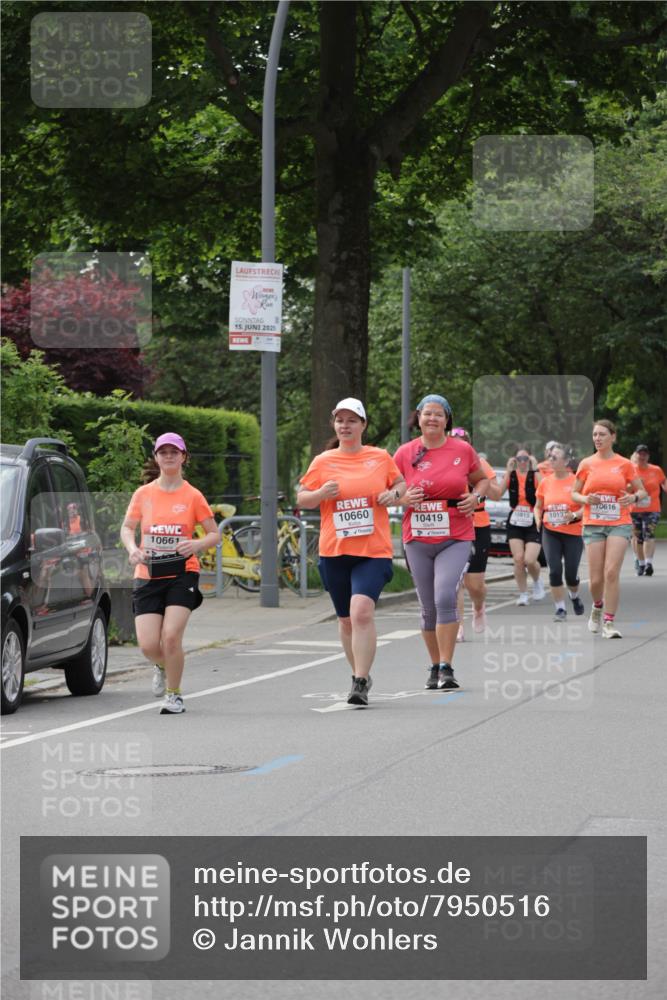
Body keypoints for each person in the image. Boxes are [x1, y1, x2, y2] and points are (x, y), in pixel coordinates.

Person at [297, 399, 406, 707]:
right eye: (340, 420)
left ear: (363, 425)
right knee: (345, 620)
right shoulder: (323, 460)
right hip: (335, 550)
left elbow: (401, 484)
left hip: (373, 550)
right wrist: (320, 494)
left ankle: (359, 680)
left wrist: (393, 494)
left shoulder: (380, 457)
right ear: (335, 425)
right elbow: (302, 498)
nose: (345, 425)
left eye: (352, 420)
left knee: (361, 612)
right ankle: (359, 672)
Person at [393, 397, 489, 691]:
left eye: (438, 414)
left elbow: (481, 481)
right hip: (417, 536)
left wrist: (476, 498)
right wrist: (401, 497)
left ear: (447, 420)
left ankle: (447, 666)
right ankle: (434, 665)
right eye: (427, 414)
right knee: (427, 607)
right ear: (418, 418)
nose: (432, 418)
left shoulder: (462, 449)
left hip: (455, 533)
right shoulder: (404, 452)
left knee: (445, 594)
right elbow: (391, 488)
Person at [121, 433, 219, 714]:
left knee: (172, 636)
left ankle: (174, 695)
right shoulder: (144, 494)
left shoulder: (193, 495)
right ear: (156, 457)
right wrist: (132, 549)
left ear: (183, 457)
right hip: (148, 573)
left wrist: (196, 543)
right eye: (162, 452)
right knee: (149, 645)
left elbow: (214, 534)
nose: (168, 456)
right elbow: (128, 528)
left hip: (182, 572)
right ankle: (161, 664)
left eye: (174, 452)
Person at [571, 420, 648, 638]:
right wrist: (586, 498)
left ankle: (609, 622)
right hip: (593, 523)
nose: (597, 438)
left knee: (611, 572)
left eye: (602, 434)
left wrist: (632, 496)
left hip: (619, 522)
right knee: (596, 579)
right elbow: (574, 494)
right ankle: (597, 606)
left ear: (612, 437)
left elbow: (641, 492)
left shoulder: (624, 464)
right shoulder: (586, 463)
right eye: (595, 435)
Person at [451, 429, 505, 639]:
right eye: (455, 442)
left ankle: (479, 606)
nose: (459, 446)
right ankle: (458, 625)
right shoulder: (446, 464)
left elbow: (497, 495)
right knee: (456, 580)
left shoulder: (480, 463)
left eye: (463, 442)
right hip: (454, 524)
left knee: (474, 584)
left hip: (478, 525)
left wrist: (477, 483)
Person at [534, 444, 585, 621]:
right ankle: (560, 608)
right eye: (550, 456)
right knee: (555, 570)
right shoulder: (545, 482)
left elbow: (586, 508)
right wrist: (538, 518)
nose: (551, 459)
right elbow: (538, 506)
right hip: (551, 531)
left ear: (565, 461)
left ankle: (575, 597)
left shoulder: (576, 481)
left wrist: (573, 515)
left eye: (555, 457)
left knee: (571, 574)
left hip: (573, 532)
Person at [498, 447, 544, 605]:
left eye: (525, 459)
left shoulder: (535, 474)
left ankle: (537, 582)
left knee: (530, 560)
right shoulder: (511, 475)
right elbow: (498, 494)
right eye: (519, 459)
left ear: (530, 460)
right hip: (516, 519)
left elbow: (546, 488)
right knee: (518, 559)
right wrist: (507, 471)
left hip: (533, 519)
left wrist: (536, 468)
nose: (522, 462)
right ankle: (523, 594)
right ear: (515, 461)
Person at [631, 444, 666, 576]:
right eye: (640, 454)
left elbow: (664, 482)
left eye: (645, 454)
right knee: (638, 537)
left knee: (648, 533)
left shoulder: (656, 470)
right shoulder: (631, 470)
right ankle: (641, 564)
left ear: (648, 456)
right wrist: (633, 484)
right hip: (635, 509)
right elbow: (625, 488)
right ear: (636, 455)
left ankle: (649, 563)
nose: (642, 456)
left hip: (652, 509)